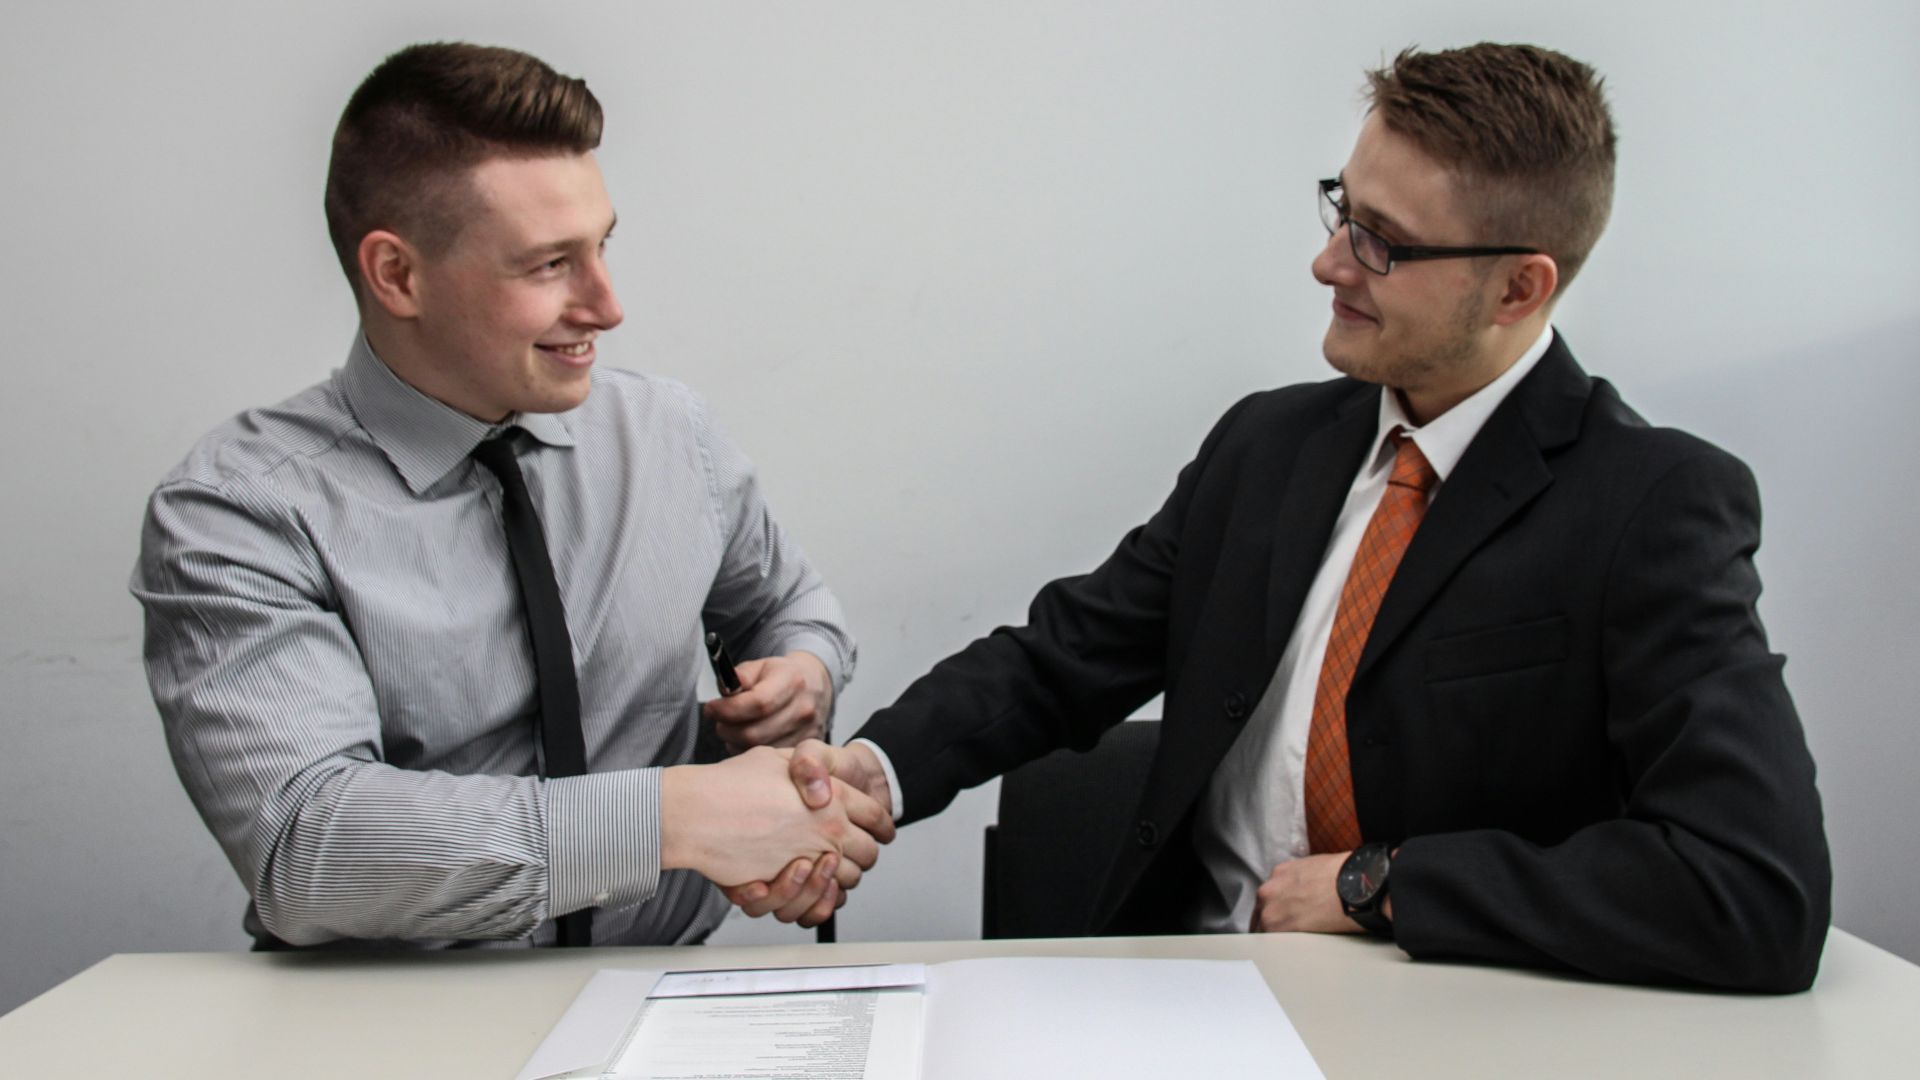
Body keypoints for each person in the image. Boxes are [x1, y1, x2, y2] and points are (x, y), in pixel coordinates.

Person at [745, 43, 1831, 991]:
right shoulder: (1270, 447)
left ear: (1519, 289)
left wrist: (1380, 887)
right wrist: (871, 774)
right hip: (1184, 998)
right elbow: (1061, 659)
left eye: (1382, 244)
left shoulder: (1651, 505)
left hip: (1445, 1026)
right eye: (1341, 212)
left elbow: (1753, 888)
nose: (1329, 262)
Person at [130, 42, 890, 950]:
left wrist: (800, 675)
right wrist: (671, 817)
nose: (607, 306)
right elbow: (309, 848)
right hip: (390, 1027)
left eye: (602, 246)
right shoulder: (238, 513)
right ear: (397, 276)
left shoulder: (669, 434)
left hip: (664, 992)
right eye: (548, 265)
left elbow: (790, 608)